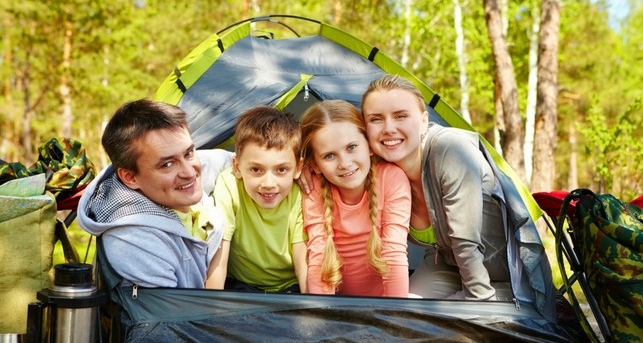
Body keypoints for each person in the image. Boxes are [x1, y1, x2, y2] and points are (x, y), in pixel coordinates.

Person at [360, 74, 511, 300]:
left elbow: (465, 241)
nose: (389, 128)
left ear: (423, 121)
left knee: (431, 324)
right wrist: (305, 175)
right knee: (400, 311)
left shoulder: (449, 148)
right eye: (376, 119)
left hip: (500, 276)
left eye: (401, 116)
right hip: (445, 266)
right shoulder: (378, 170)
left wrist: (477, 301)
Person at [77, 99, 233, 288]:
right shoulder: (135, 244)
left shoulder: (181, 182)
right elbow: (174, 315)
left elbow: (239, 160)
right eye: (167, 164)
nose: (190, 172)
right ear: (130, 177)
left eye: (189, 153)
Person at [300, 100, 411, 297]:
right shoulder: (314, 188)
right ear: (314, 165)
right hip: (338, 306)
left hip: (388, 302)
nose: (345, 163)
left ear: (369, 145)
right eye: (329, 156)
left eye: (351, 147)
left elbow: (394, 255)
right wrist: (323, 318)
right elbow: (319, 259)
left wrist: (397, 316)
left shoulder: (391, 178)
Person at [212, 106, 307, 293]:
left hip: (290, 286)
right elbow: (218, 263)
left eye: (281, 170)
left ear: (298, 168)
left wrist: (312, 315)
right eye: (256, 170)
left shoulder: (300, 194)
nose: (269, 183)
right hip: (241, 285)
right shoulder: (229, 185)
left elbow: (304, 267)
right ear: (238, 167)